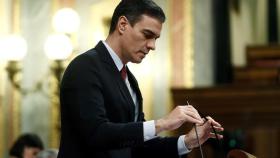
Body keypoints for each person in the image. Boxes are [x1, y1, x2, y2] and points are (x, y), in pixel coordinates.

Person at [57, 0, 223, 158]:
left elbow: (138, 147)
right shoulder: (84, 66)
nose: (152, 45)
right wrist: (163, 123)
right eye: (147, 34)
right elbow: (96, 134)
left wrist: (187, 141)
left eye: (155, 38)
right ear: (122, 25)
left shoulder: (131, 81)